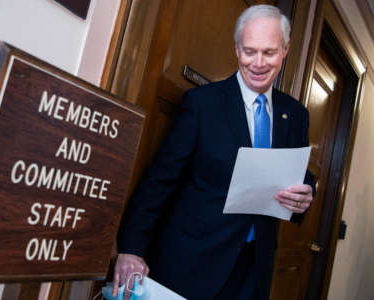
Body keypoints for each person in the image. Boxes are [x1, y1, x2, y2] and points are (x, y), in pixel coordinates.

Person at [112, 4, 315, 300]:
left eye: (269, 52)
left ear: (285, 50)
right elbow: (160, 180)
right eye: (249, 51)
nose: (258, 63)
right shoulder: (202, 104)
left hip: (252, 270)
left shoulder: (295, 114)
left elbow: (300, 174)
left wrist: (305, 194)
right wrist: (131, 248)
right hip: (192, 263)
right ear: (236, 50)